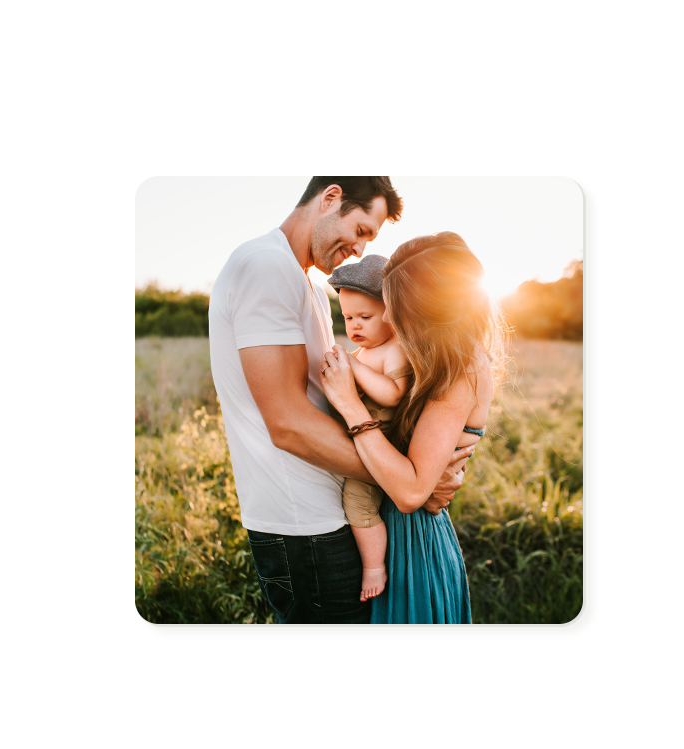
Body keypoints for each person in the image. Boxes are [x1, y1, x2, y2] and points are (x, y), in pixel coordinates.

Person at [208, 178, 474, 624]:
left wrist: (415, 474)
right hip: (306, 526)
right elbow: (288, 423)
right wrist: (410, 482)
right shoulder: (265, 266)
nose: (360, 247)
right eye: (362, 229)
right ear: (330, 198)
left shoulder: (307, 285)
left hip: (332, 515)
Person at [320, 232, 507, 624]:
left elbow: (410, 492)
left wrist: (351, 406)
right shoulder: (434, 360)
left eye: (397, 306)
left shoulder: (463, 370)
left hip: (414, 542)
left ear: (432, 310)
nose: (387, 317)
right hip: (393, 528)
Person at [326, 255, 412, 602]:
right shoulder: (364, 351)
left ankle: (374, 566)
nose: (355, 326)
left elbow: (393, 395)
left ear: (391, 314)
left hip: (381, 450)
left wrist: (353, 367)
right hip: (359, 442)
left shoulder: (395, 349)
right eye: (348, 318)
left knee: (357, 504)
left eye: (365, 317)